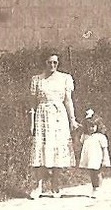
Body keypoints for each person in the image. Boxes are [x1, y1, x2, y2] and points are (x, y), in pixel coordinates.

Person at [27, 52, 78, 198]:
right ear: (44, 62)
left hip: (59, 117)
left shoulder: (65, 78)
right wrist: (31, 123)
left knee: (57, 150)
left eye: (55, 62)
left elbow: (68, 101)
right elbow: (32, 105)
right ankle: (38, 187)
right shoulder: (37, 80)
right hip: (42, 117)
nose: (52, 65)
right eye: (49, 62)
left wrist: (72, 120)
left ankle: (55, 185)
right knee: (40, 150)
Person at [77, 107, 111, 198]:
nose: (91, 129)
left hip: (97, 157)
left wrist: (105, 159)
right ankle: (94, 187)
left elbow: (104, 149)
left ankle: (99, 188)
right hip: (89, 157)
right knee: (92, 172)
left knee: (97, 172)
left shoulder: (100, 136)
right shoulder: (85, 136)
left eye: (93, 126)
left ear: (97, 126)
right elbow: (81, 142)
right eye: (89, 126)